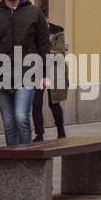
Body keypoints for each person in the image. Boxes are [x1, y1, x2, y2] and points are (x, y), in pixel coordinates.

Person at [0, 0, 50, 147]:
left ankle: (28, 159)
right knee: (9, 124)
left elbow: (44, 45)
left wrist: (44, 74)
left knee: (21, 118)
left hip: (28, 72)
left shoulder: (34, 12)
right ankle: (14, 164)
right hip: (1, 74)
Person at [32, 9, 67, 142]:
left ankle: (61, 131)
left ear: (47, 18)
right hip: (37, 71)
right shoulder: (33, 32)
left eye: (44, 18)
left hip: (54, 71)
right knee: (36, 103)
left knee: (54, 103)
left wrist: (42, 52)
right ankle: (39, 134)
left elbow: (59, 52)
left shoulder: (57, 31)